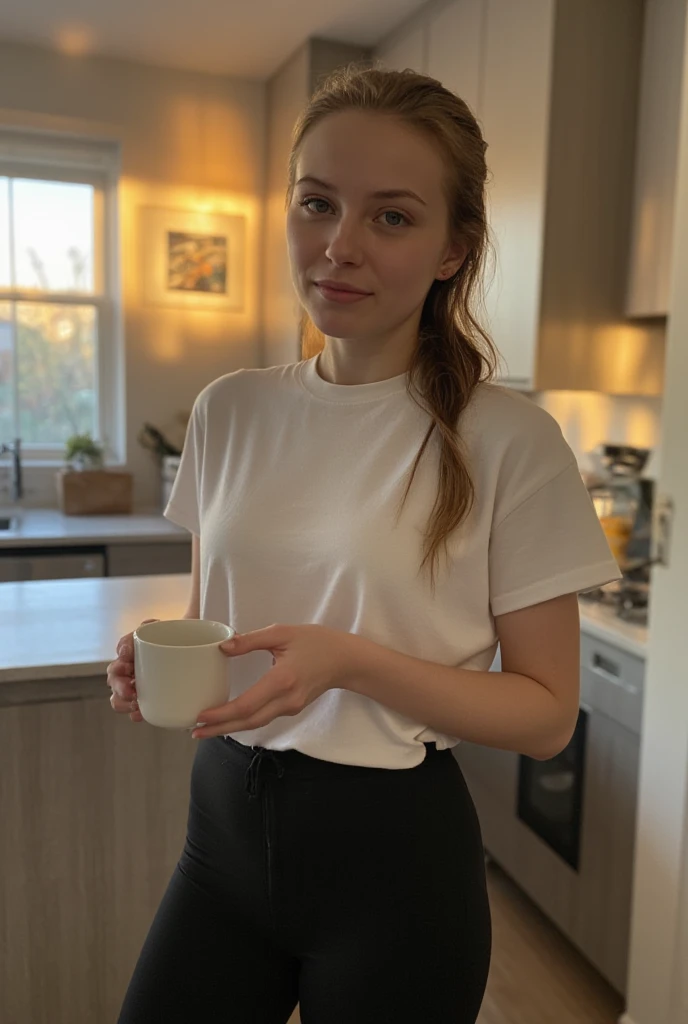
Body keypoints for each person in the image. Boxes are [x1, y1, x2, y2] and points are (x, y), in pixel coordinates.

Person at [108, 65, 621, 1024]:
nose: (338, 247)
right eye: (317, 203)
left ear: (451, 250)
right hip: (219, 832)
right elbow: (212, 615)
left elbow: (548, 714)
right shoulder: (229, 409)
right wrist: (157, 655)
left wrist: (349, 662)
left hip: (392, 865)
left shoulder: (509, 441)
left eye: (391, 217)